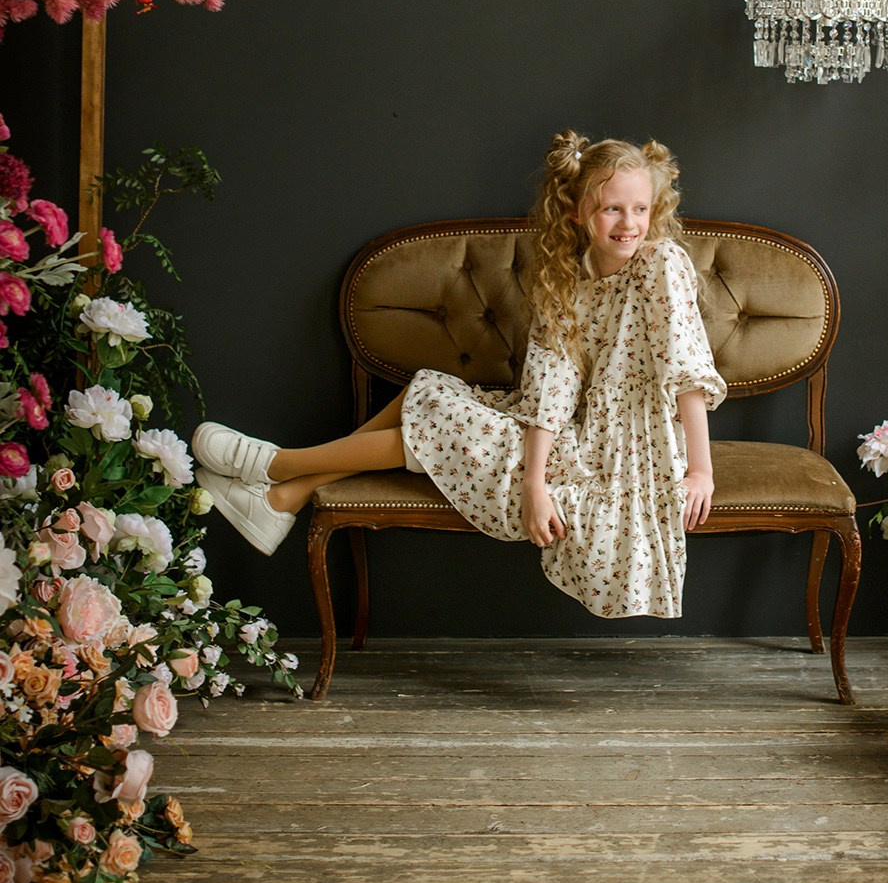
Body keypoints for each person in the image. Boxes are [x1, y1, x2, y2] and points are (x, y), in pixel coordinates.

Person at [193, 132, 727, 619]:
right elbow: (550, 389)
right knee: (428, 391)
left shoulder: (661, 263)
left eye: (639, 208)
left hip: (629, 451)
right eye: (613, 209)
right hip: (570, 431)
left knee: (437, 420)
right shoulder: (566, 280)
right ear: (577, 214)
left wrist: (699, 471)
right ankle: (282, 496)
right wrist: (535, 483)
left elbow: (687, 371)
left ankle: (281, 471)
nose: (629, 223)